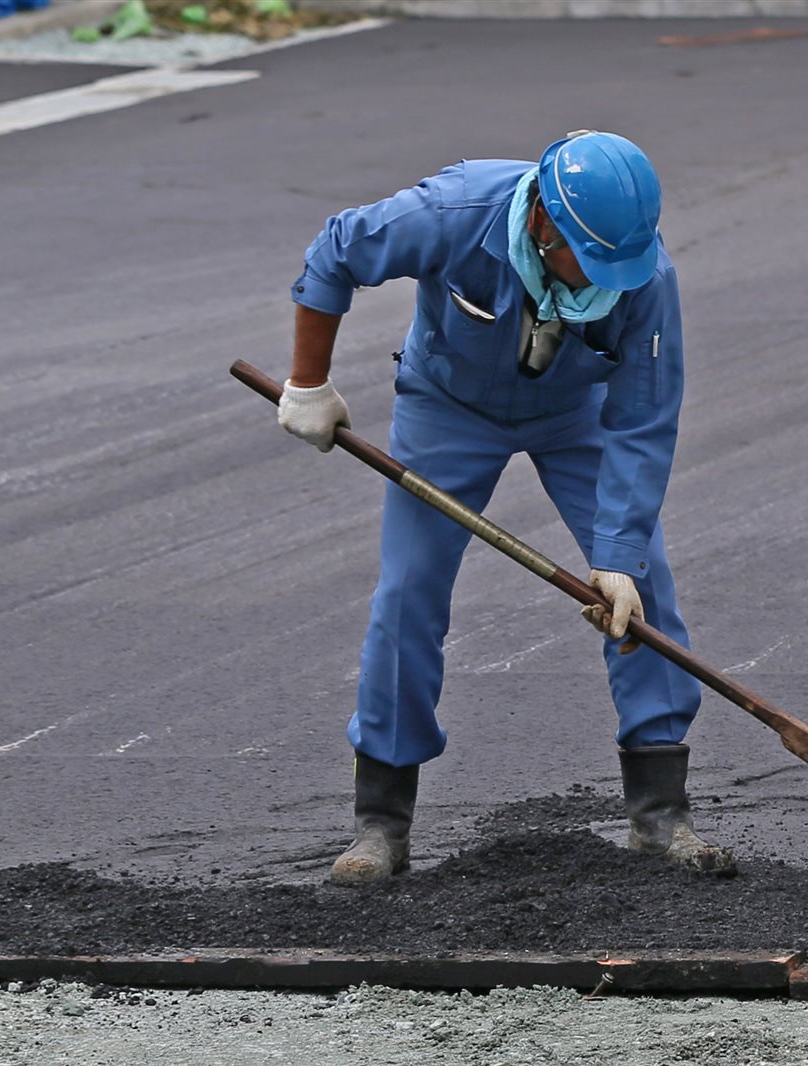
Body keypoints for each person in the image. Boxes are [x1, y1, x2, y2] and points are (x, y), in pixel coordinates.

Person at [275, 130, 732, 884]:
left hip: (574, 413)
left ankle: (660, 815)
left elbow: (644, 419)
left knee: (644, 599)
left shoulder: (644, 275)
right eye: (590, 261)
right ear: (544, 224)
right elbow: (335, 254)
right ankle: (381, 824)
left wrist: (616, 556)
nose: (607, 278)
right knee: (407, 596)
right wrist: (308, 383)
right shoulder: (454, 212)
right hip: (448, 406)